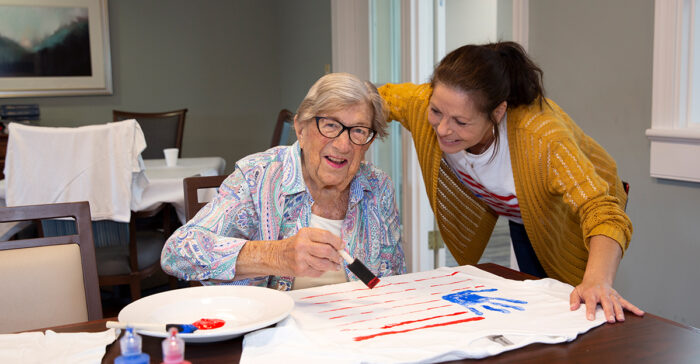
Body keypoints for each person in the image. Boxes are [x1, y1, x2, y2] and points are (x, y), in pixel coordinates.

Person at [379, 41, 643, 323]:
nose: (443, 129)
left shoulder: (543, 139)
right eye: (436, 112)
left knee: (577, 306)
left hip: (571, 216)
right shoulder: (428, 103)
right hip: (523, 215)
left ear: (497, 112)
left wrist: (597, 280)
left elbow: (603, 211)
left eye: (461, 122)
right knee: (537, 308)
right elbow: (373, 99)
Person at [161, 72, 405, 290]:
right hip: (275, 333)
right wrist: (276, 256)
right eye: (330, 125)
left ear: (369, 142)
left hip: (357, 330)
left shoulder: (378, 187)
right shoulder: (259, 177)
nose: (343, 145)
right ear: (300, 128)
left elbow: (393, 280)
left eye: (359, 131)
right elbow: (177, 253)